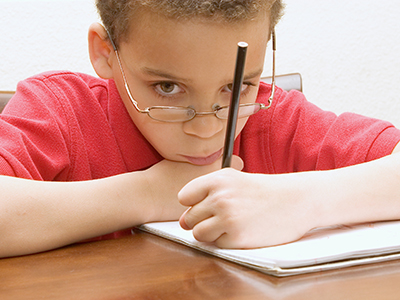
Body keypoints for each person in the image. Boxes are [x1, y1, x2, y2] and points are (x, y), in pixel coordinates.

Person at [0, 0, 400, 258]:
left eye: (237, 85)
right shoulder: (61, 110)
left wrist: (301, 201)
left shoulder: (273, 118)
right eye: (167, 88)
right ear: (106, 52)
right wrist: (150, 194)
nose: (207, 129)